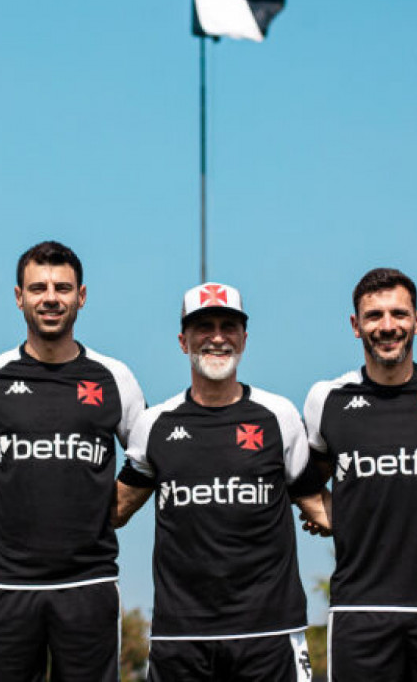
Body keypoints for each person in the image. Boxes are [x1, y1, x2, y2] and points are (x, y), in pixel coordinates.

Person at [0, 240, 145, 682]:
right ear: (19, 297)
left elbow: (150, 460)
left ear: (81, 297)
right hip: (4, 587)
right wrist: (1, 509)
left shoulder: (115, 378)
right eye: (38, 287)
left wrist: (110, 510)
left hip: (88, 586)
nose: (51, 297)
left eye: (62, 288)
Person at [112, 282, 323, 682]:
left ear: (244, 338)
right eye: (203, 326)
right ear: (182, 340)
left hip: (270, 633)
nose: (217, 337)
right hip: (181, 637)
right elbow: (116, 510)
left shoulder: (279, 415)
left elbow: (317, 504)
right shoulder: (154, 423)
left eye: (229, 326)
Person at [301, 267, 417, 681]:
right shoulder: (327, 398)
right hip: (361, 609)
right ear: (355, 326)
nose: (387, 327)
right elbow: (305, 477)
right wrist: (327, 510)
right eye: (374, 316)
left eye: (399, 314)